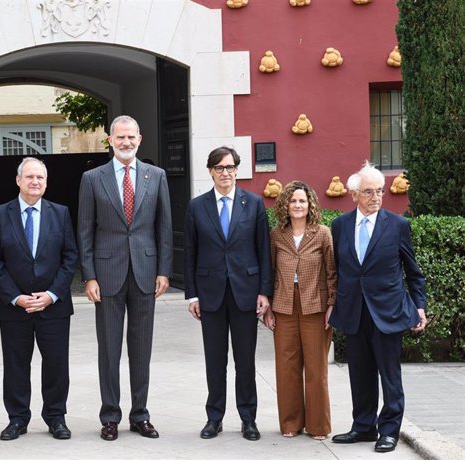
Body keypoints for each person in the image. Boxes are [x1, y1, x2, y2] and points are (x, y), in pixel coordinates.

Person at [77, 115, 172, 441]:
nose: (126, 142)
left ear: (140, 139)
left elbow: (164, 227)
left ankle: (140, 415)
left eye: (131, 137)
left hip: (145, 273)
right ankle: (110, 417)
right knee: (109, 349)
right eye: (120, 138)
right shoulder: (92, 178)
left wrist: (164, 270)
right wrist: (88, 276)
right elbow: (85, 230)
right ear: (110, 140)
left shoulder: (156, 176)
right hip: (106, 275)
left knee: (141, 348)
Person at [329, 161, 427, 453]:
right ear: (354, 194)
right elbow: (339, 269)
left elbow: (413, 270)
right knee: (359, 373)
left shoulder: (397, 225)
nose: (376, 198)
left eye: (380, 192)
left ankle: (389, 430)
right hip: (354, 312)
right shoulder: (340, 225)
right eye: (369, 192)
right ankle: (363, 427)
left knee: (390, 375)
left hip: (389, 311)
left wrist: (419, 305)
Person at [183, 146, 272, 441]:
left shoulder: (254, 203)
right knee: (215, 361)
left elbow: (263, 251)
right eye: (220, 168)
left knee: (245, 361)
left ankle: (248, 419)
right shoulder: (197, 206)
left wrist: (264, 292)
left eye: (231, 167)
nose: (226, 173)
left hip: (246, 293)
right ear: (210, 171)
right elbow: (190, 253)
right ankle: (214, 418)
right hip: (210, 295)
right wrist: (192, 295)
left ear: (237, 170)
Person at [0, 157, 78, 441]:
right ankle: (17, 419)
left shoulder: (60, 213)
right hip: (15, 307)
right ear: (18, 180)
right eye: (29, 177)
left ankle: (56, 417)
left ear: (46, 182)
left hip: (54, 306)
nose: (35, 182)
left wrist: (51, 295)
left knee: (56, 365)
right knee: (15, 365)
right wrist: (16, 297)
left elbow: (69, 257)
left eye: (40, 177)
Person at [264, 181, 336, 440]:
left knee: (317, 369)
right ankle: (291, 422)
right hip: (283, 306)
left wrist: (332, 307)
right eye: (293, 201)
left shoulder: (323, 234)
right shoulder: (275, 235)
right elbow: (269, 273)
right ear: (285, 204)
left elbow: (332, 273)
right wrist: (268, 308)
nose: (297, 205)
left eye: (302, 201)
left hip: (316, 306)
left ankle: (318, 425)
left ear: (310, 205)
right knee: (287, 368)